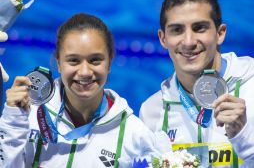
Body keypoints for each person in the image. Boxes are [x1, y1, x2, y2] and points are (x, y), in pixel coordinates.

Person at [0, 13, 170, 168]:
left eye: (95, 60)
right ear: (58, 63)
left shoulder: (135, 135)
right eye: (73, 61)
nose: (85, 72)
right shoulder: (27, 116)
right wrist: (13, 120)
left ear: (110, 62)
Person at [139, 0, 254, 167]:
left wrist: (244, 137)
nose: (189, 41)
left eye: (199, 28)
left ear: (220, 33)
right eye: (177, 30)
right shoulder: (152, 111)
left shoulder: (251, 84)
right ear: (162, 38)